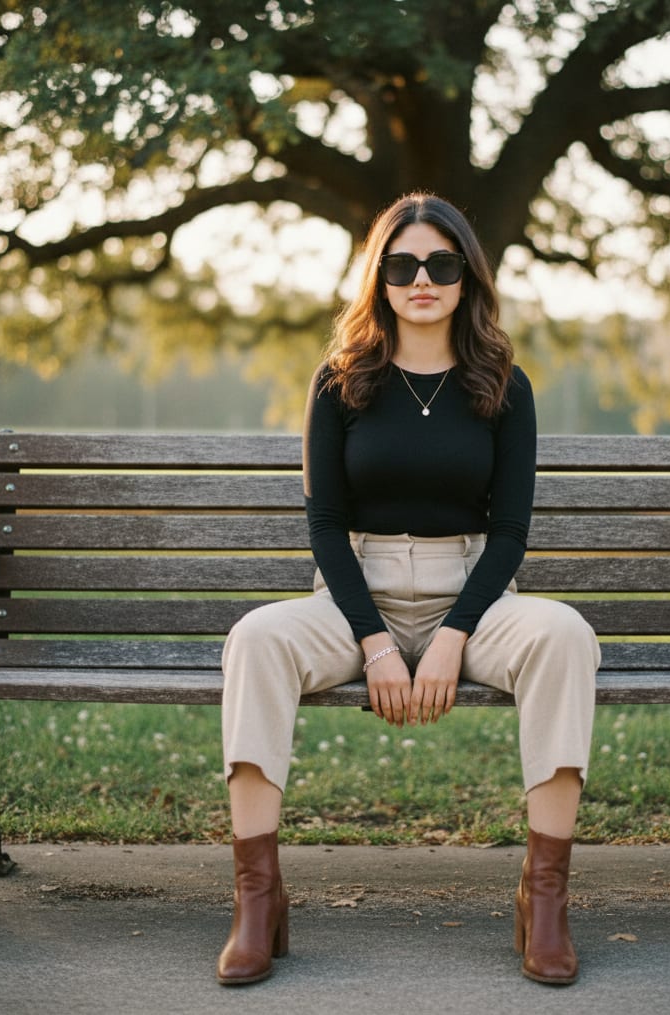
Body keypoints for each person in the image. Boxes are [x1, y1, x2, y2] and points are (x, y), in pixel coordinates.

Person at [216, 192, 600, 987]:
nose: (422, 280)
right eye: (402, 265)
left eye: (441, 264)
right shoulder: (340, 381)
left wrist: (455, 633)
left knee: (565, 634)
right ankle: (257, 898)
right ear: (380, 279)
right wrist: (376, 642)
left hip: (475, 595)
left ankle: (545, 899)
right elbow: (326, 526)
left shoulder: (505, 386)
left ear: (467, 277)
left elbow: (510, 533)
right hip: (356, 592)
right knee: (255, 638)